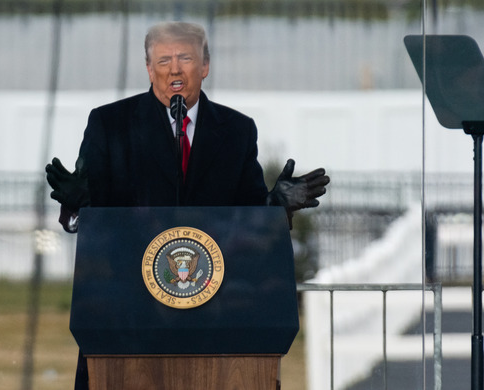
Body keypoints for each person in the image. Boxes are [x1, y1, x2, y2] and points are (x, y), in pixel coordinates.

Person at [45, 21, 329, 389]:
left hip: (218, 320)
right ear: (149, 69)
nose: (174, 69)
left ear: (205, 65)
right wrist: (77, 207)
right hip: (129, 319)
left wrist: (275, 209)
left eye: (185, 58)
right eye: (163, 60)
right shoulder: (110, 125)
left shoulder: (237, 130)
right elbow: (83, 218)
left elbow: (251, 223)